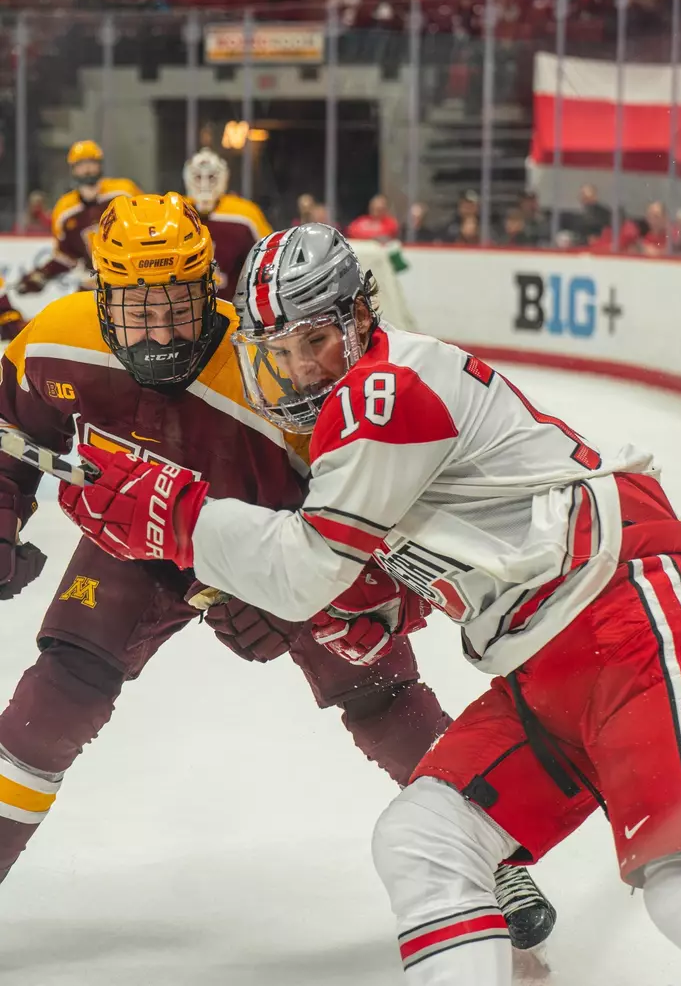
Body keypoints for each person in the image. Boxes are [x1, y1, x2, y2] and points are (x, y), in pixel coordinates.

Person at [65, 222, 681, 985]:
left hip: (629, 625)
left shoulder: (383, 390)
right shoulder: (363, 411)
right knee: (425, 839)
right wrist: (379, 604)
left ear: (357, 317)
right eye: (278, 352)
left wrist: (178, 516)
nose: (298, 369)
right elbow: (400, 560)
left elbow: (304, 569)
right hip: (545, 669)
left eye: (314, 341)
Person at [1, 201, 551, 951]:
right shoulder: (57, 340)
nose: (159, 334)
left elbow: (360, 515)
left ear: (210, 292)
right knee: (62, 687)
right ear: (101, 300)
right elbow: (11, 433)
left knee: (381, 694)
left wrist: (284, 599)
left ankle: (499, 859)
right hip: (138, 539)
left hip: (280, 544)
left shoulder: (272, 367)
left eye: (177, 309)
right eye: (136, 312)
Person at [15, 140, 140, 295]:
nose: (87, 169)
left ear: (100, 165)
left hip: (132, 280)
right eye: (81, 164)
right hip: (93, 283)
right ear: (73, 169)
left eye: (91, 163)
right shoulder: (65, 210)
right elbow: (66, 256)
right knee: (73, 309)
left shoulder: (124, 191)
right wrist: (42, 274)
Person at [182, 148, 270, 301]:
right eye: (198, 177)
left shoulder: (245, 214)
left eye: (211, 177)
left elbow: (270, 257)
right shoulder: (178, 210)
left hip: (232, 306)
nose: (204, 184)